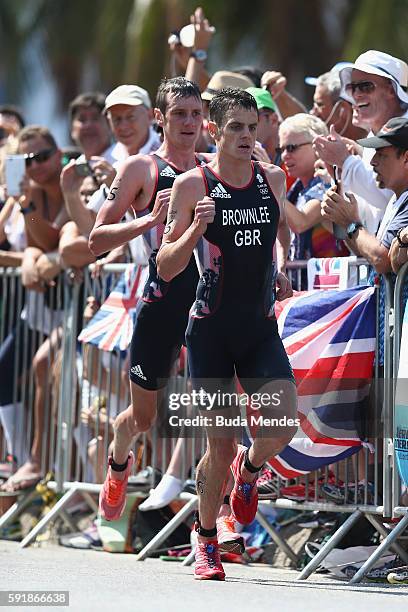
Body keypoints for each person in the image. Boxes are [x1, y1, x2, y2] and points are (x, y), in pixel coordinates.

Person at [157, 88, 298, 580]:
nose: (245, 135)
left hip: (258, 328)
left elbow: (277, 238)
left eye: (252, 126)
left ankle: (252, 470)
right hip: (210, 334)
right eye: (234, 126)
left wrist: (277, 273)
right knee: (218, 445)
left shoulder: (272, 179)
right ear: (214, 130)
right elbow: (167, 266)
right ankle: (206, 537)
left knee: (281, 424)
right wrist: (195, 231)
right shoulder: (193, 186)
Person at [314, 50, 408, 234]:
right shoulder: (376, 134)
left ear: (391, 89)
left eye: (365, 86)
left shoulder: (405, 132)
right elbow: (372, 214)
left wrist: (345, 161)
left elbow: (391, 196)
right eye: (352, 87)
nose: (356, 94)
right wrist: (339, 178)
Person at [62, 85, 160, 238]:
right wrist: (71, 195)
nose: (123, 126)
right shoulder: (115, 160)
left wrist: (119, 188)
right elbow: (91, 226)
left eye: (130, 117)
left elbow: (161, 222)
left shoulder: (165, 151)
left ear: (149, 115)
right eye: (116, 119)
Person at [321, 116, 408, 274]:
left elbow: (381, 260)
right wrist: (342, 219)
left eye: (381, 155)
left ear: (406, 158)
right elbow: (369, 253)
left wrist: (351, 224)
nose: (373, 161)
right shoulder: (397, 199)